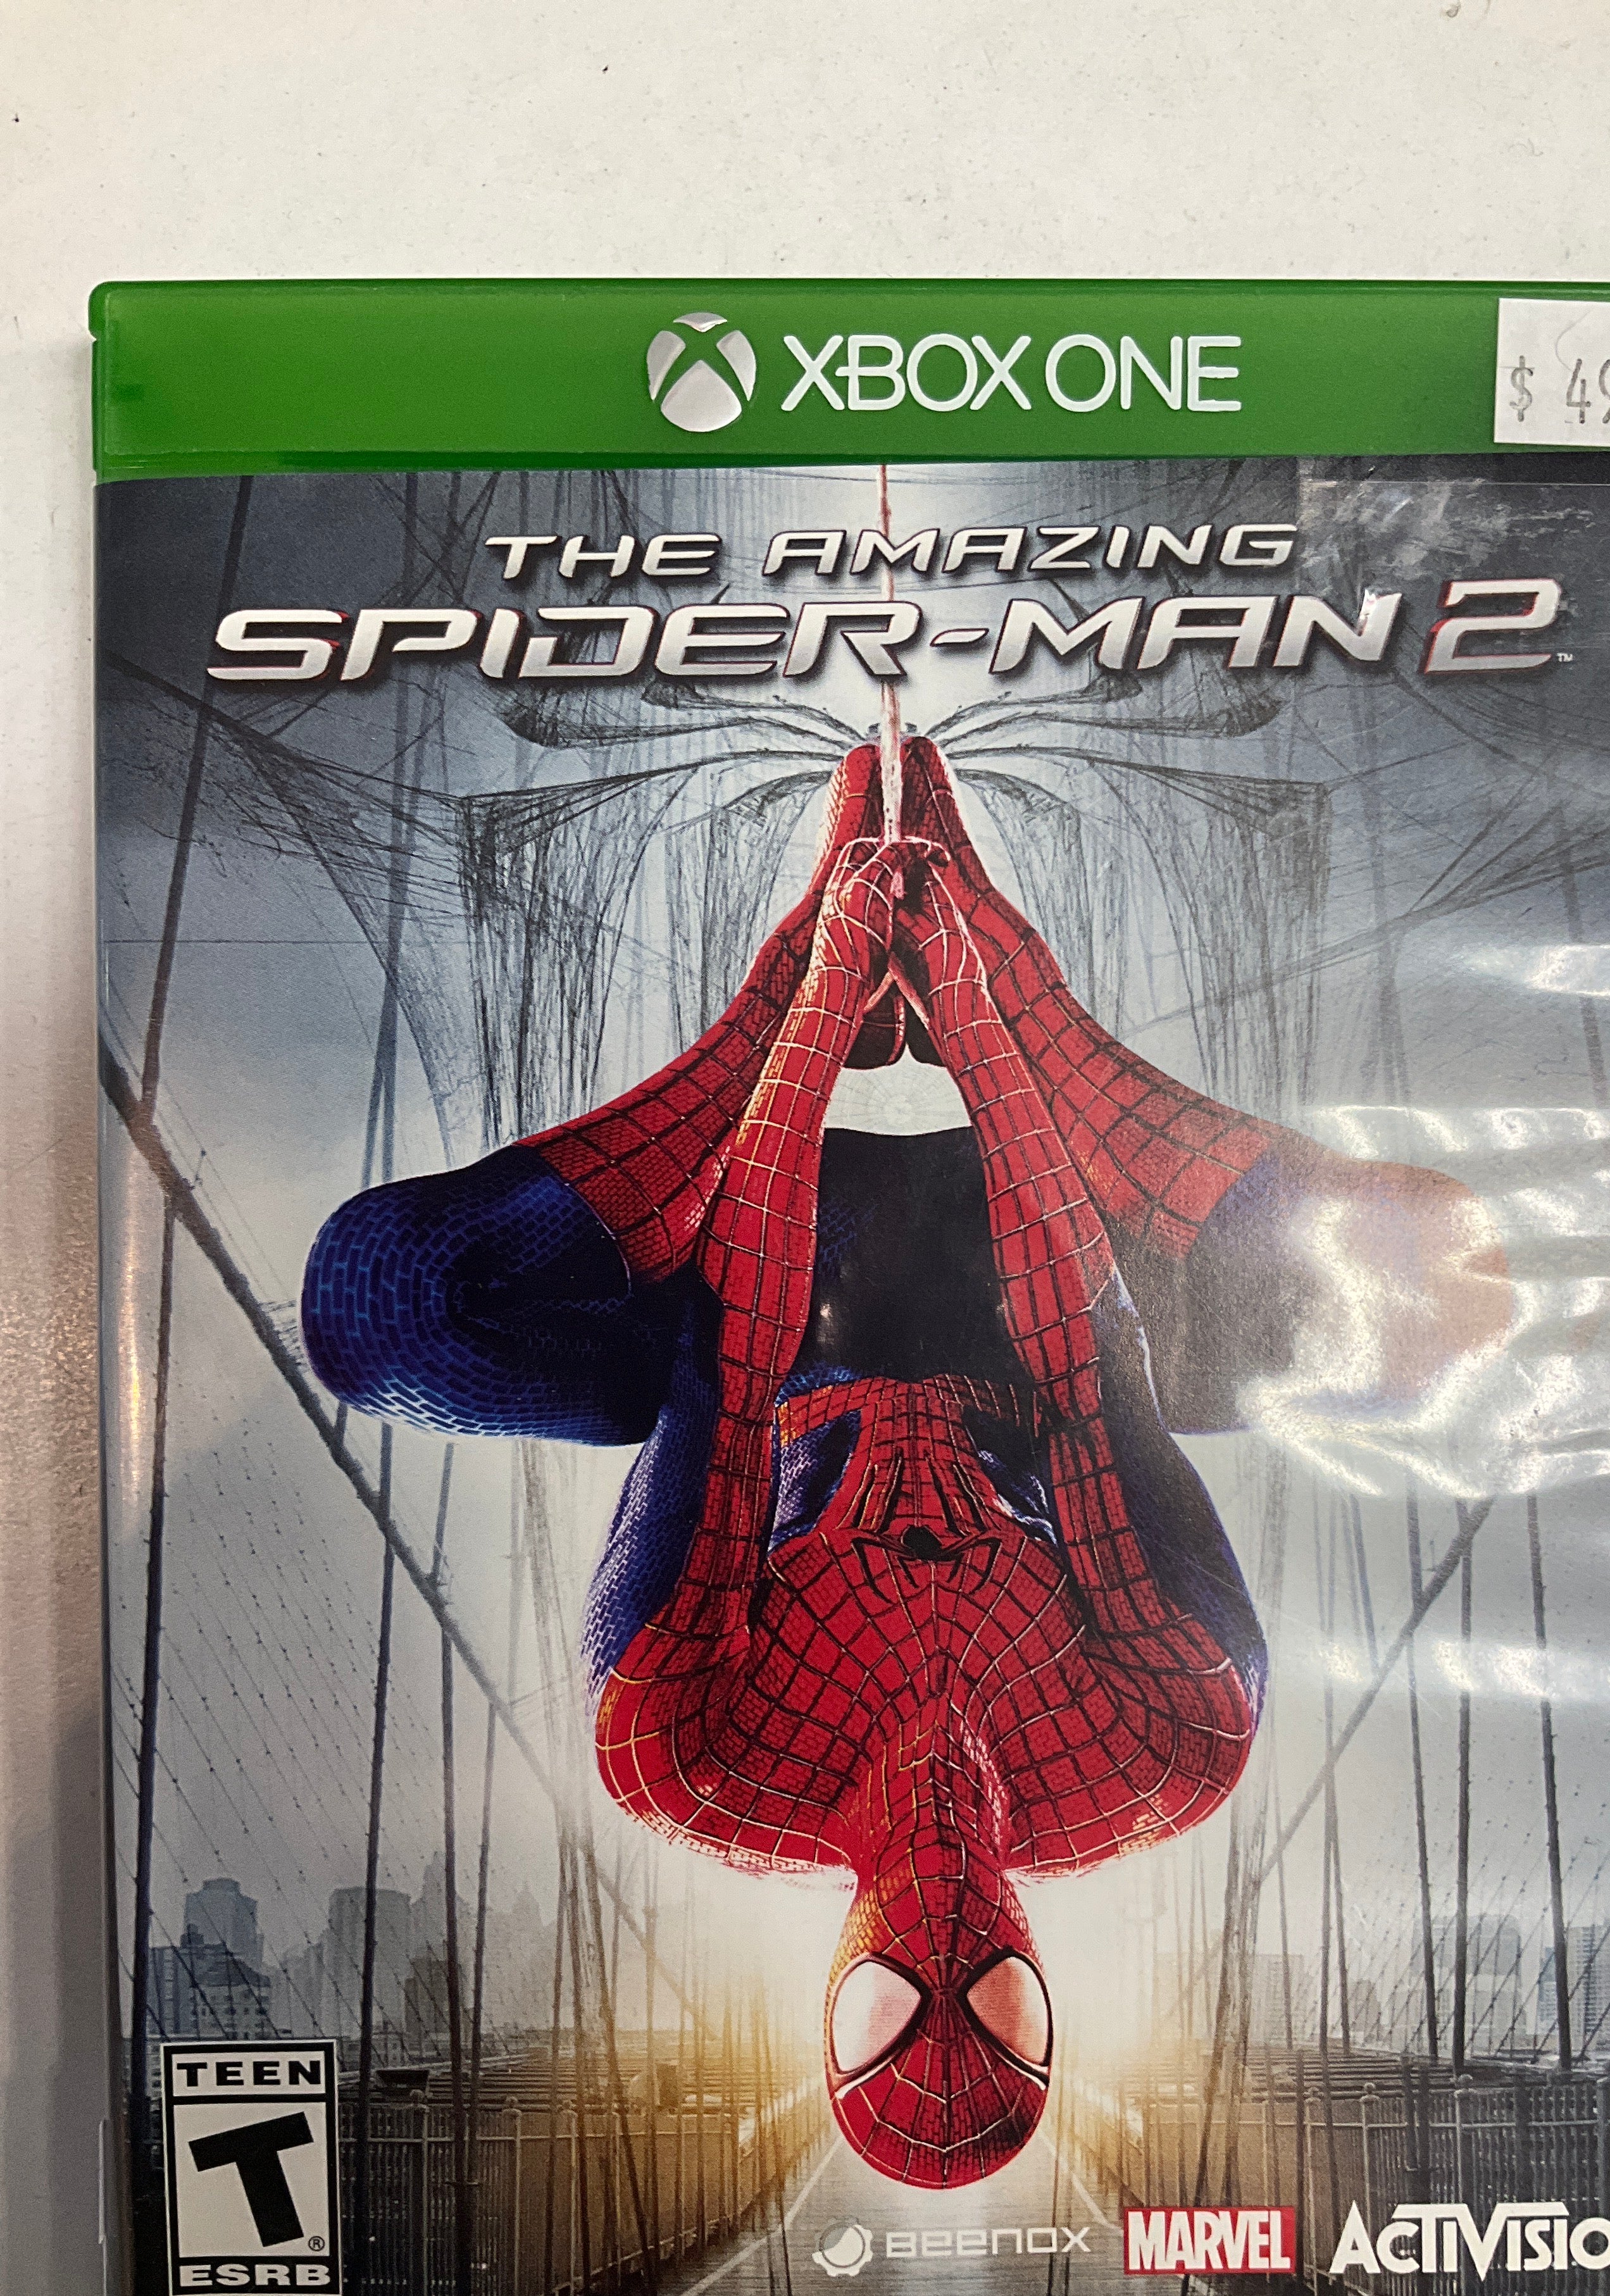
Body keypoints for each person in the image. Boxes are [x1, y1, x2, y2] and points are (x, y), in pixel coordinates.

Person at [302, 737, 1506, 2188]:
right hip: (1032, 1293)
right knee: (1435, 1297)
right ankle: (987, 962)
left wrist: (809, 1004)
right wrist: (992, 1014)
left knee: (379, 1314)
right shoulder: (1168, 1751)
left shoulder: (687, 1760)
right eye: (998, 2018)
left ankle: (798, 976)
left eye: (889, 2020)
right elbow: (1098, 1368)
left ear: (830, 2011)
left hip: (783, 1304)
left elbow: (721, 1371)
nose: (941, 1963)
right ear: (1048, 2005)